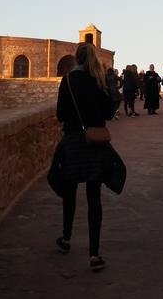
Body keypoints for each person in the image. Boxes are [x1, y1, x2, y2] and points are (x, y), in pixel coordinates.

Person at [49, 43, 122, 272]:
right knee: (94, 196)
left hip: (72, 142)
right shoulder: (99, 82)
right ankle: (94, 254)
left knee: (69, 192)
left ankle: (66, 237)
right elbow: (109, 113)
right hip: (95, 143)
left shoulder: (68, 81)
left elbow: (61, 115)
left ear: (76, 59)